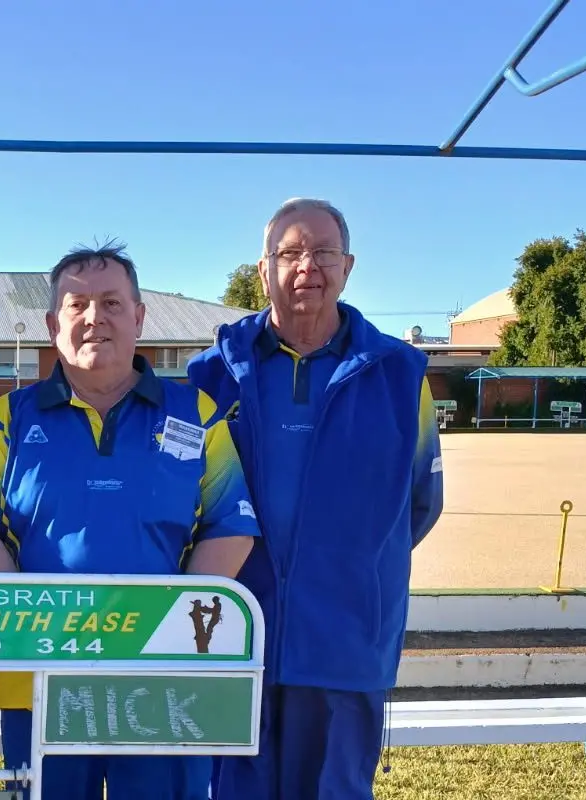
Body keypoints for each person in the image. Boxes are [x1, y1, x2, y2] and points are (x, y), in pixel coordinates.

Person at [0, 242, 261, 800]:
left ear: (139, 317)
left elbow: (230, 527)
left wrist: (160, 635)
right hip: (40, 683)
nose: (96, 318)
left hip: (166, 683)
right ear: (51, 324)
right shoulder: (5, 420)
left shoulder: (198, 415)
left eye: (113, 303)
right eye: (77, 304)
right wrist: (44, 631)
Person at [186, 197, 445, 799]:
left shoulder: (402, 375)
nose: (309, 265)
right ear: (263, 270)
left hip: (346, 648)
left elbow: (420, 504)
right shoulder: (209, 375)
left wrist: (347, 569)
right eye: (291, 252)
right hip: (231, 642)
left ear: (348, 266)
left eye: (324, 251)